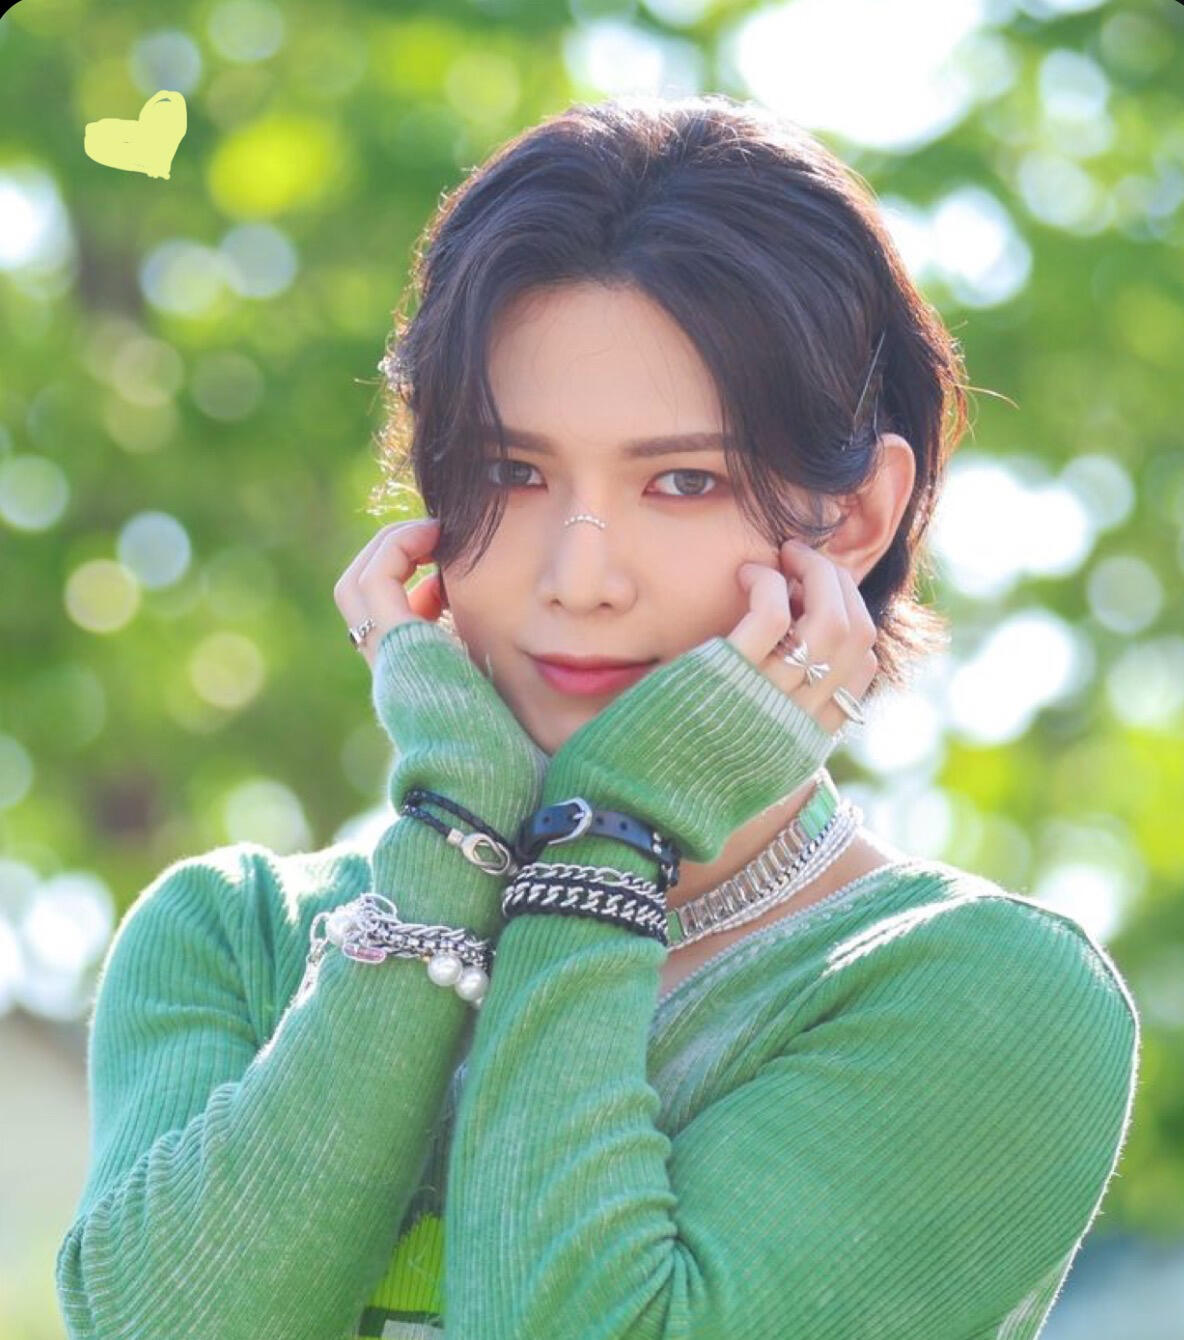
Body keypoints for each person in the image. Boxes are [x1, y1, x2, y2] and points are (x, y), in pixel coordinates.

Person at [56, 92, 1140, 1339]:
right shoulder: (236, 934)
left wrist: (613, 834)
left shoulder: (980, 993)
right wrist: (454, 836)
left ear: (850, 519)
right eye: (510, 472)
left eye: (681, 480)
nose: (578, 578)